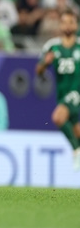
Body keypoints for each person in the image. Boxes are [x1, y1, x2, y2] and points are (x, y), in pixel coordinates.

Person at [36, 10, 80, 171]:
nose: (68, 25)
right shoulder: (52, 46)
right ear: (60, 25)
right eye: (65, 22)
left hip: (77, 92)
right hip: (61, 94)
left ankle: (76, 151)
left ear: (76, 25)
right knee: (76, 131)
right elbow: (38, 71)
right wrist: (45, 63)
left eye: (71, 22)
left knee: (57, 117)